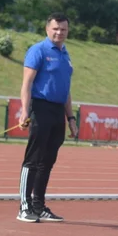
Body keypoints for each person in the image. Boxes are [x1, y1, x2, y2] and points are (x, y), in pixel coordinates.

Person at [15, 13, 76, 223]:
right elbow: (27, 84)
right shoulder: (38, 51)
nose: (59, 32)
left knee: (47, 161)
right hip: (40, 108)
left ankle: (38, 206)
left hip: (58, 112)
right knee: (33, 159)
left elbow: (66, 90)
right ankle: (24, 206)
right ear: (47, 29)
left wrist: (71, 118)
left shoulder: (66, 55)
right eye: (55, 28)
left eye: (63, 29)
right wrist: (24, 111)